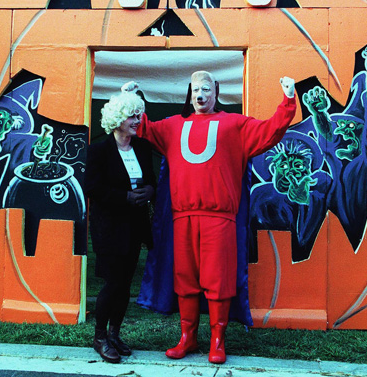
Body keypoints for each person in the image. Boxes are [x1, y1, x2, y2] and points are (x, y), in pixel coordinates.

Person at [124, 71, 296, 364]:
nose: (200, 95)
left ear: (216, 91)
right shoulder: (174, 126)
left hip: (219, 218)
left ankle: (218, 342)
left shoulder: (235, 124)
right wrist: (130, 99)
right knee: (185, 278)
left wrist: (288, 99)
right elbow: (144, 128)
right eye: (195, 90)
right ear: (189, 94)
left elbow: (270, 130)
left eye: (205, 89)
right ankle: (187, 338)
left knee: (218, 279)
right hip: (183, 217)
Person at [84, 86, 155, 363]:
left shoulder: (142, 147)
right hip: (109, 228)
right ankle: (100, 337)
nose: (137, 121)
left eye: (139, 115)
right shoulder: (99, 151)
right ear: (117, 119)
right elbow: (92, 187)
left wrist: (150, 190)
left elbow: (151, 180)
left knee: (125, 284)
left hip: (135, 227)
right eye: (131, 116)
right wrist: (125, 197)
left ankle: (115, 334)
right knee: (113, 283)